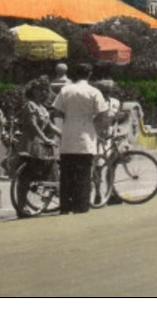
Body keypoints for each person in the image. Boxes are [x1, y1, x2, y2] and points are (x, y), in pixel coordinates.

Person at [50, 63, 110, 215]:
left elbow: (56, 111)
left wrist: (61, 127)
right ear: (89, 74)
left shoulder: (65, 90)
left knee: (67, 174)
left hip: (68, 137)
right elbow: (102, 115)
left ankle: (65, 205)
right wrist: (98, 130)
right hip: (86, 137)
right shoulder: (94, 92)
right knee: (83, 174)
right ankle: (81, 205)